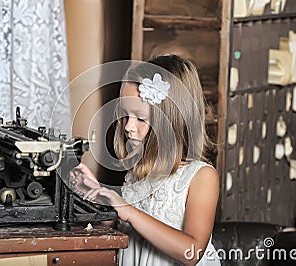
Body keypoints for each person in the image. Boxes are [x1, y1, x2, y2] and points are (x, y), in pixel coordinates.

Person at [70, 54, 220, 265]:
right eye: (125, 115)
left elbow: (192, 252)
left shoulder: (201, 176)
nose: (128, 127)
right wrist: (100, 199)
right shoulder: (138, 170)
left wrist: (129, 211)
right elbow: (122, 228)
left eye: (140, 118)